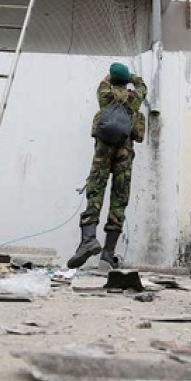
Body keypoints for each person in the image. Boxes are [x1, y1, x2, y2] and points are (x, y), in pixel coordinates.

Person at [67, 62, 146, 270]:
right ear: (126, 80)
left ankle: (88, 240)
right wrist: (132, 78)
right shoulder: (134, 98)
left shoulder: (104, 94)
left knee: (95, 192)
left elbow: (105, 80)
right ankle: (108, 254)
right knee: (119, 199)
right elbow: (142, 86)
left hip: (102, 152)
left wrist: (115, 76)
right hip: (124, 154)